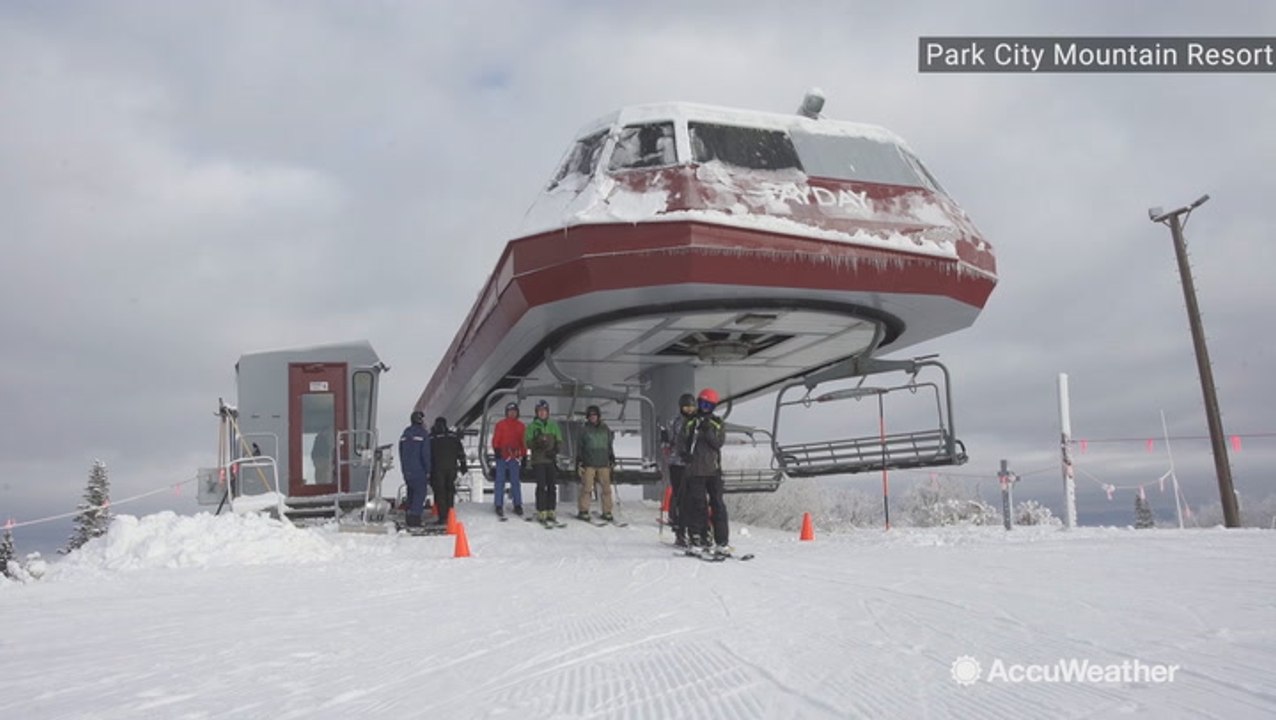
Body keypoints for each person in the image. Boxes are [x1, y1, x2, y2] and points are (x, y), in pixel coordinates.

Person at [679, 388, 728, 552]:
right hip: (695, 471)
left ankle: (721, 540)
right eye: (702, 404)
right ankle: (697, 536)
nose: (704, 407)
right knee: (698, 504)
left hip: (713, 471)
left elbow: (718, 444)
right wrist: (684, 454)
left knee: (718, 505)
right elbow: (681, 441)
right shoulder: (691, 422)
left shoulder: (717, 423)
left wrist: (708, 432)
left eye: (708, 405)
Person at [665, 393, 697, 547]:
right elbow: (674, 440)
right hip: (677, 464)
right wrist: (681, 453)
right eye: (686, 407)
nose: (689, 410)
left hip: (693, 465)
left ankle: (694, 531)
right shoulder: (675, 421)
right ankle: (680, 531)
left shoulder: (697, 421)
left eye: (691, 407)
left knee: (693, 498)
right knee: (681, 497)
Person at [525, 399, 564, 524]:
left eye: (544, 411)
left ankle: (551, 509)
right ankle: (541, 509)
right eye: (540, 411)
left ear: (547, 412)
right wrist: (537, 442)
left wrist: (555, 450)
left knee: (552, 485)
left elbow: (559, 441)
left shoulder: (553, 425)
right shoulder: (532, 426)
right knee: (541, 485)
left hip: (550, 460)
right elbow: (527, 443)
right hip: (538, 460)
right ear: (537, 413)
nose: (542, 413)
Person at [575, 405, 616, 522]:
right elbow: (580, 446)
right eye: (591, 415)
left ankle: (607, 511)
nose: (593, 417)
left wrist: (611, 457)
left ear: (598, 416)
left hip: (603, 463)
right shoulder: (584, 430)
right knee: (587, 488)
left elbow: (609, 445)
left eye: (595, 415)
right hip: (589, 463)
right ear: (588, 417)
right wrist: (580, 461)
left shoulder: (605, 429)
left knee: (606, 489)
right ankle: (583, 510)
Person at [490, 402, 527, 518]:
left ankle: (517, 504)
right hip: (502, 456)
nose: (512, 413)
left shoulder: (521, 426)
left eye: (514, 412)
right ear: (507, 413)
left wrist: (524, 455)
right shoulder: (501, 425)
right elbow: (496, 438)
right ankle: (498, 504)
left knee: (515, 481)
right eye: (510, 411)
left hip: (514, 457)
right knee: (500, 481)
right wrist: (496, 449)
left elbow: (523, 442)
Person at [429, 417, 467, 525]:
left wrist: (427, 469)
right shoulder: (453, 436)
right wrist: (463, 465)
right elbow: (460, 452)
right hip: (451, 468)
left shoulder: (432, 437)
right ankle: (450, 514)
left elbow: (427, 455)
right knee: (449, 491)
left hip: (437, 469)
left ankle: (443, 517)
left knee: (440, 492)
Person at [398, 410, 432, 528]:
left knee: (411, 493)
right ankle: (415, 518)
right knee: (419, 493)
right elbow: (425, 454)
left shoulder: (405, 434)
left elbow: (401, 452)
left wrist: (404, 468)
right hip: (419, 470)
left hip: (407, 470)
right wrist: (428, 470)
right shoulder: (423, 435)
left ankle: (409, 515)